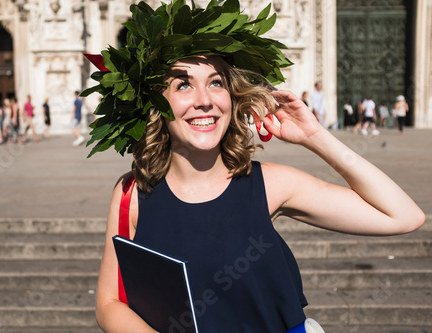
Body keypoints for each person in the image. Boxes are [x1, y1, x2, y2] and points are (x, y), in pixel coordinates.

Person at [89, 1, 425, 332]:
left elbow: (402, 216)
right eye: (183, 84)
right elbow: (108, 305)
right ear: (154, 105)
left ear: (233, 97)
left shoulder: (269, 185)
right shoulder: (132, 193)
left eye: (216, 82)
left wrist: (315, 136)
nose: (204, 99)